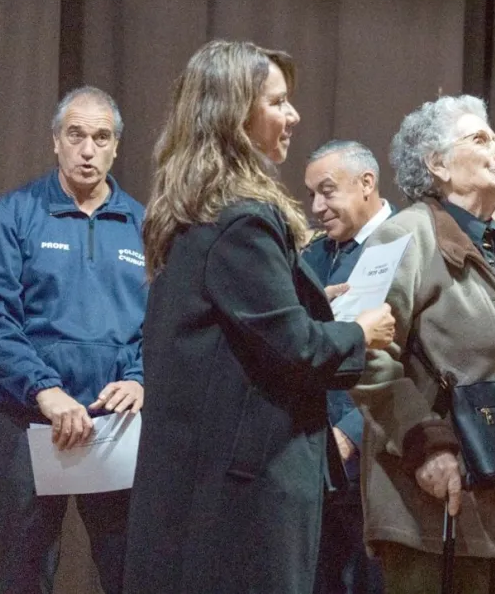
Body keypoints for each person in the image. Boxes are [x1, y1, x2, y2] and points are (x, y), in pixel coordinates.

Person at [122, 40, 395, 594]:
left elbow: (243, 332)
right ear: (234, 114)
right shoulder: (242, 221)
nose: (293, 115)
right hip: (246, 485)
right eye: (278, 102)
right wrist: (360, 333)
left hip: (208, 475)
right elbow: (294, 348)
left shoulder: (193, 208)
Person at [348, 94, 495, 594]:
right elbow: (366, 357)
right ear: (438, 165)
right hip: (433, 500)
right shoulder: (400, 236)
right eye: (480, 139)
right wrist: (423, 444)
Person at [0, 86, 145, 594]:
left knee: (131, 570)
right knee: (24, 571)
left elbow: (163, 325)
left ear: (116, 147)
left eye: (101, 137)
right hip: (26, 416)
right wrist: (44, 390)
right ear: (55, 140)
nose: (87, 149)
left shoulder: (145, 225)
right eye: (76, 135)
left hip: (114, 421)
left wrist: (141, 379)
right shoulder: (12, 215)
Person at [302, 140, 395, 594]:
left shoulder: (407, 243)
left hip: (378, 458)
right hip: (314, 459)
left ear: (366, 184)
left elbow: (415, 358)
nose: (317, 207)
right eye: (312, 195)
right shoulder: (312, 257)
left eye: (327, 191)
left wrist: (353, 433)